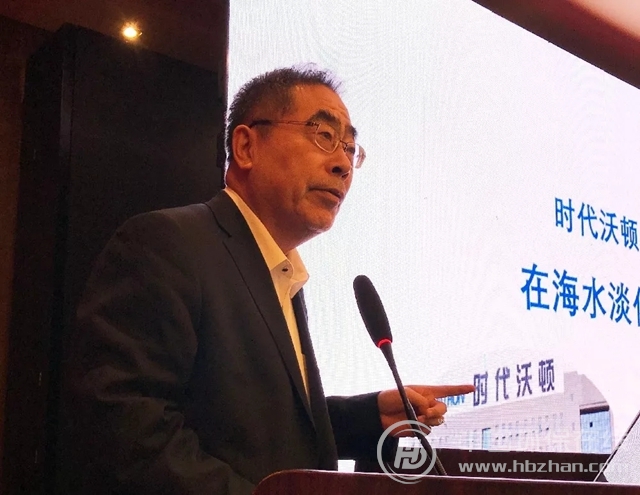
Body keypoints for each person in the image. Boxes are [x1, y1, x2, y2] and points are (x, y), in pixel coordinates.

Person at [71, 65, 474, 494]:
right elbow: (128, 431)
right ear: (246, 146)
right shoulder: (167, 244)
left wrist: (370, 415)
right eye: (323, 135)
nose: (343, 164)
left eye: (350, 147)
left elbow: (257, 429)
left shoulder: (279, 274)